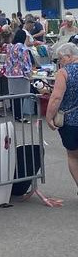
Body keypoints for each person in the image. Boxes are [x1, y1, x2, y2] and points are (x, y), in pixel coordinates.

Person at [44, 43, 78, 192]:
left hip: (71, 121)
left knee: (73, 156)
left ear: (68, 56)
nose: (59, 62)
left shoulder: (64, 73)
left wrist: (49, 117)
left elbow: (56, 97)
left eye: (60, 59)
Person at [3, 29, 33, 122]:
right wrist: (29, 73)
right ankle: (20, 116)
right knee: (21, 96)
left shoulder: (10, 46)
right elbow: (24, 61)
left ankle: (16, 115)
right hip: (20, 75)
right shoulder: (22, 47)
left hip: (11, 74)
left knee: (14, 96)